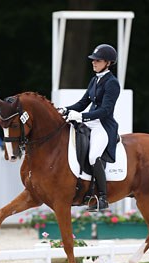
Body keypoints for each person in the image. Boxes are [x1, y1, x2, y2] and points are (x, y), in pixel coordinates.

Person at [59, 44, 120, 211]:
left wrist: (83, 116)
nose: (93, 63)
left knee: (93, 156)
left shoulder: (112, 83)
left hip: (103, 125)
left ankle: (102, 197)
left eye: (97, 60)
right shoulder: (95, 80)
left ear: (108, 63)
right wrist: (65, 110)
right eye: (93, 60)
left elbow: (106, 110)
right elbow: (83, 103)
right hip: (91, 122)